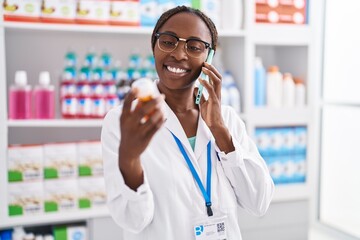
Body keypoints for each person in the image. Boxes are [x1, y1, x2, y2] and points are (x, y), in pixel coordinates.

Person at [101, 5, 274, 240]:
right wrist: (129, 161)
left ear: (209, 57)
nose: (179, 54)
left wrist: (220, 131)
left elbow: (259, 202)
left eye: (194, 47)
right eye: (169, 41)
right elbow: (134, 220)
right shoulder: (123, 121)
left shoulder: (228, 119)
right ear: (154, 46)